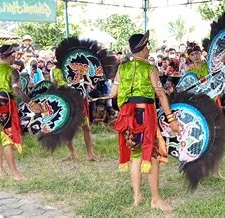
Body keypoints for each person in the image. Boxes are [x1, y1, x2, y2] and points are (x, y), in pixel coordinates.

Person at [110, 31, 180, 212]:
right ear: (141, 48)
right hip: (144, 115)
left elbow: (112, 94)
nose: (149, 49)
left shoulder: (121, 68)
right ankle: (155, 199)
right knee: (152, 156)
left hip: (127, 116)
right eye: (147, 45)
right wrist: (171, 119)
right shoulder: (151, 69)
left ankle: (137, 196)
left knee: (135, 156)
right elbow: (161, 95)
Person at [0, 44, 44, 180]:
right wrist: (32, 104)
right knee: (7, 138)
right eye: (14, 56)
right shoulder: (12, 71)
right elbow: (16, 90)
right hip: (3, 104)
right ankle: (15, 173)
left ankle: (0, 171)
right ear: (11, 56)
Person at [51, 66, 98, 161]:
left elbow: (84, 82)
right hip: (65, 102)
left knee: (86, 127)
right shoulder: (55, 70)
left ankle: (90, 154)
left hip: (79, 100)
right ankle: (72, 153)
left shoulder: (77, 66)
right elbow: (54, 86)